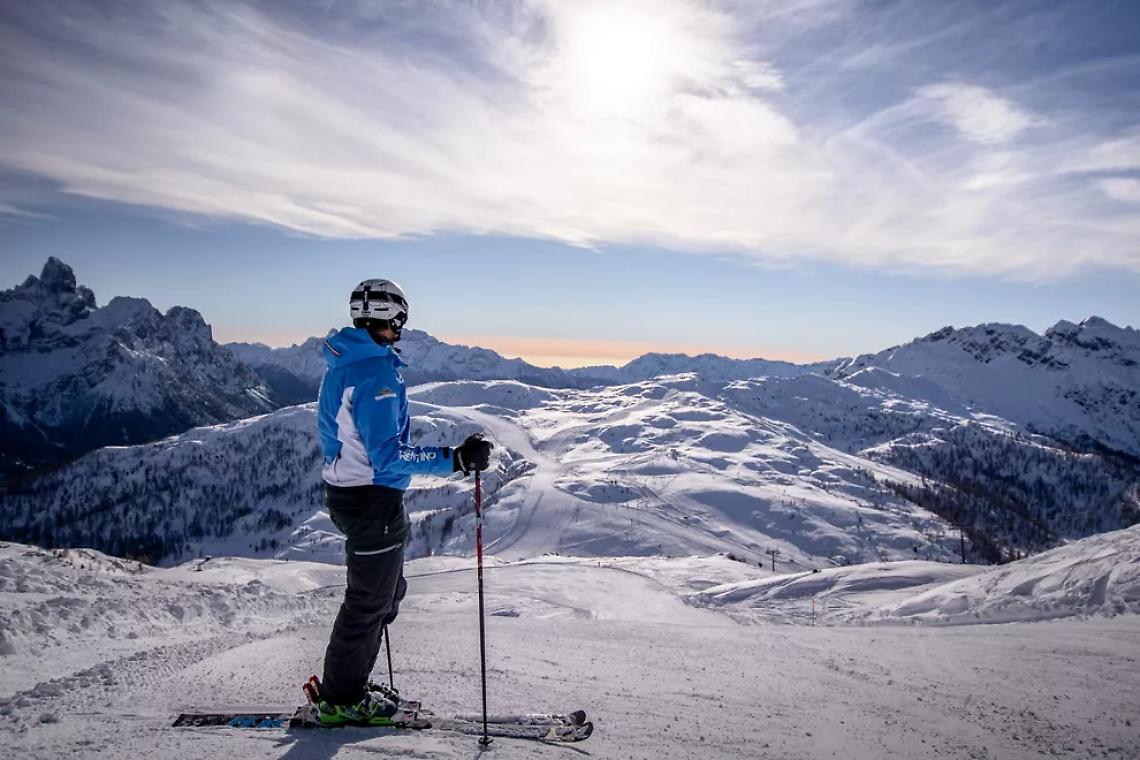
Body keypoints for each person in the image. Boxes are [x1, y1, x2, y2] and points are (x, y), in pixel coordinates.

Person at [315, 278, 493, 726]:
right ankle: (341, 698)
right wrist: (453, 459)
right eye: (401, 322)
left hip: (355, 494)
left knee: (386, 592)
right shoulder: (375, 374)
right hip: (370, 498)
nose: (402, 330)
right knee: (370, 601)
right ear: (390, 319)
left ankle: (350, 683)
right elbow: (387, 455)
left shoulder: (349, 363)